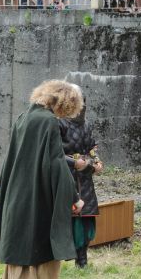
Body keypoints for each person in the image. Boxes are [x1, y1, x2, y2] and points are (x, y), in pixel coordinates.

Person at [0, 80, 84, 279]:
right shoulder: (48, 122)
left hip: (16, 195)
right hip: (35, 197)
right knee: (34, 252)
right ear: (64, 102)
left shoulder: (24, 117)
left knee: (20, 252)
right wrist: (72, 196)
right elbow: (54, 164)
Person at [59, 94, 104, 268]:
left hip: (85, 176)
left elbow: (92, 147)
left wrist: (97, 161)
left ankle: (82, 260)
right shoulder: (59, 123)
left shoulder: (87, 124)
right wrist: (72, 162)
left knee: (86, 218)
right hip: (65, 176)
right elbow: (53, 151)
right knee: (70, 218)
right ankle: (58, 258)